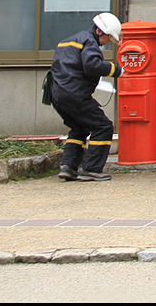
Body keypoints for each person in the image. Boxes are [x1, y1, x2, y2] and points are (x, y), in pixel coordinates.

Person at [50, 12, 124, 182]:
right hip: (76, 95)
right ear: (99, 31)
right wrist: (117, 70)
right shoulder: (89, 41)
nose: (107, 43)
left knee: (79, 128)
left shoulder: (68, 41)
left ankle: (68, 167)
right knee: (103, 126)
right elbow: (92, 65)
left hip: (57, 95)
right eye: (108, 38)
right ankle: (91, 169)